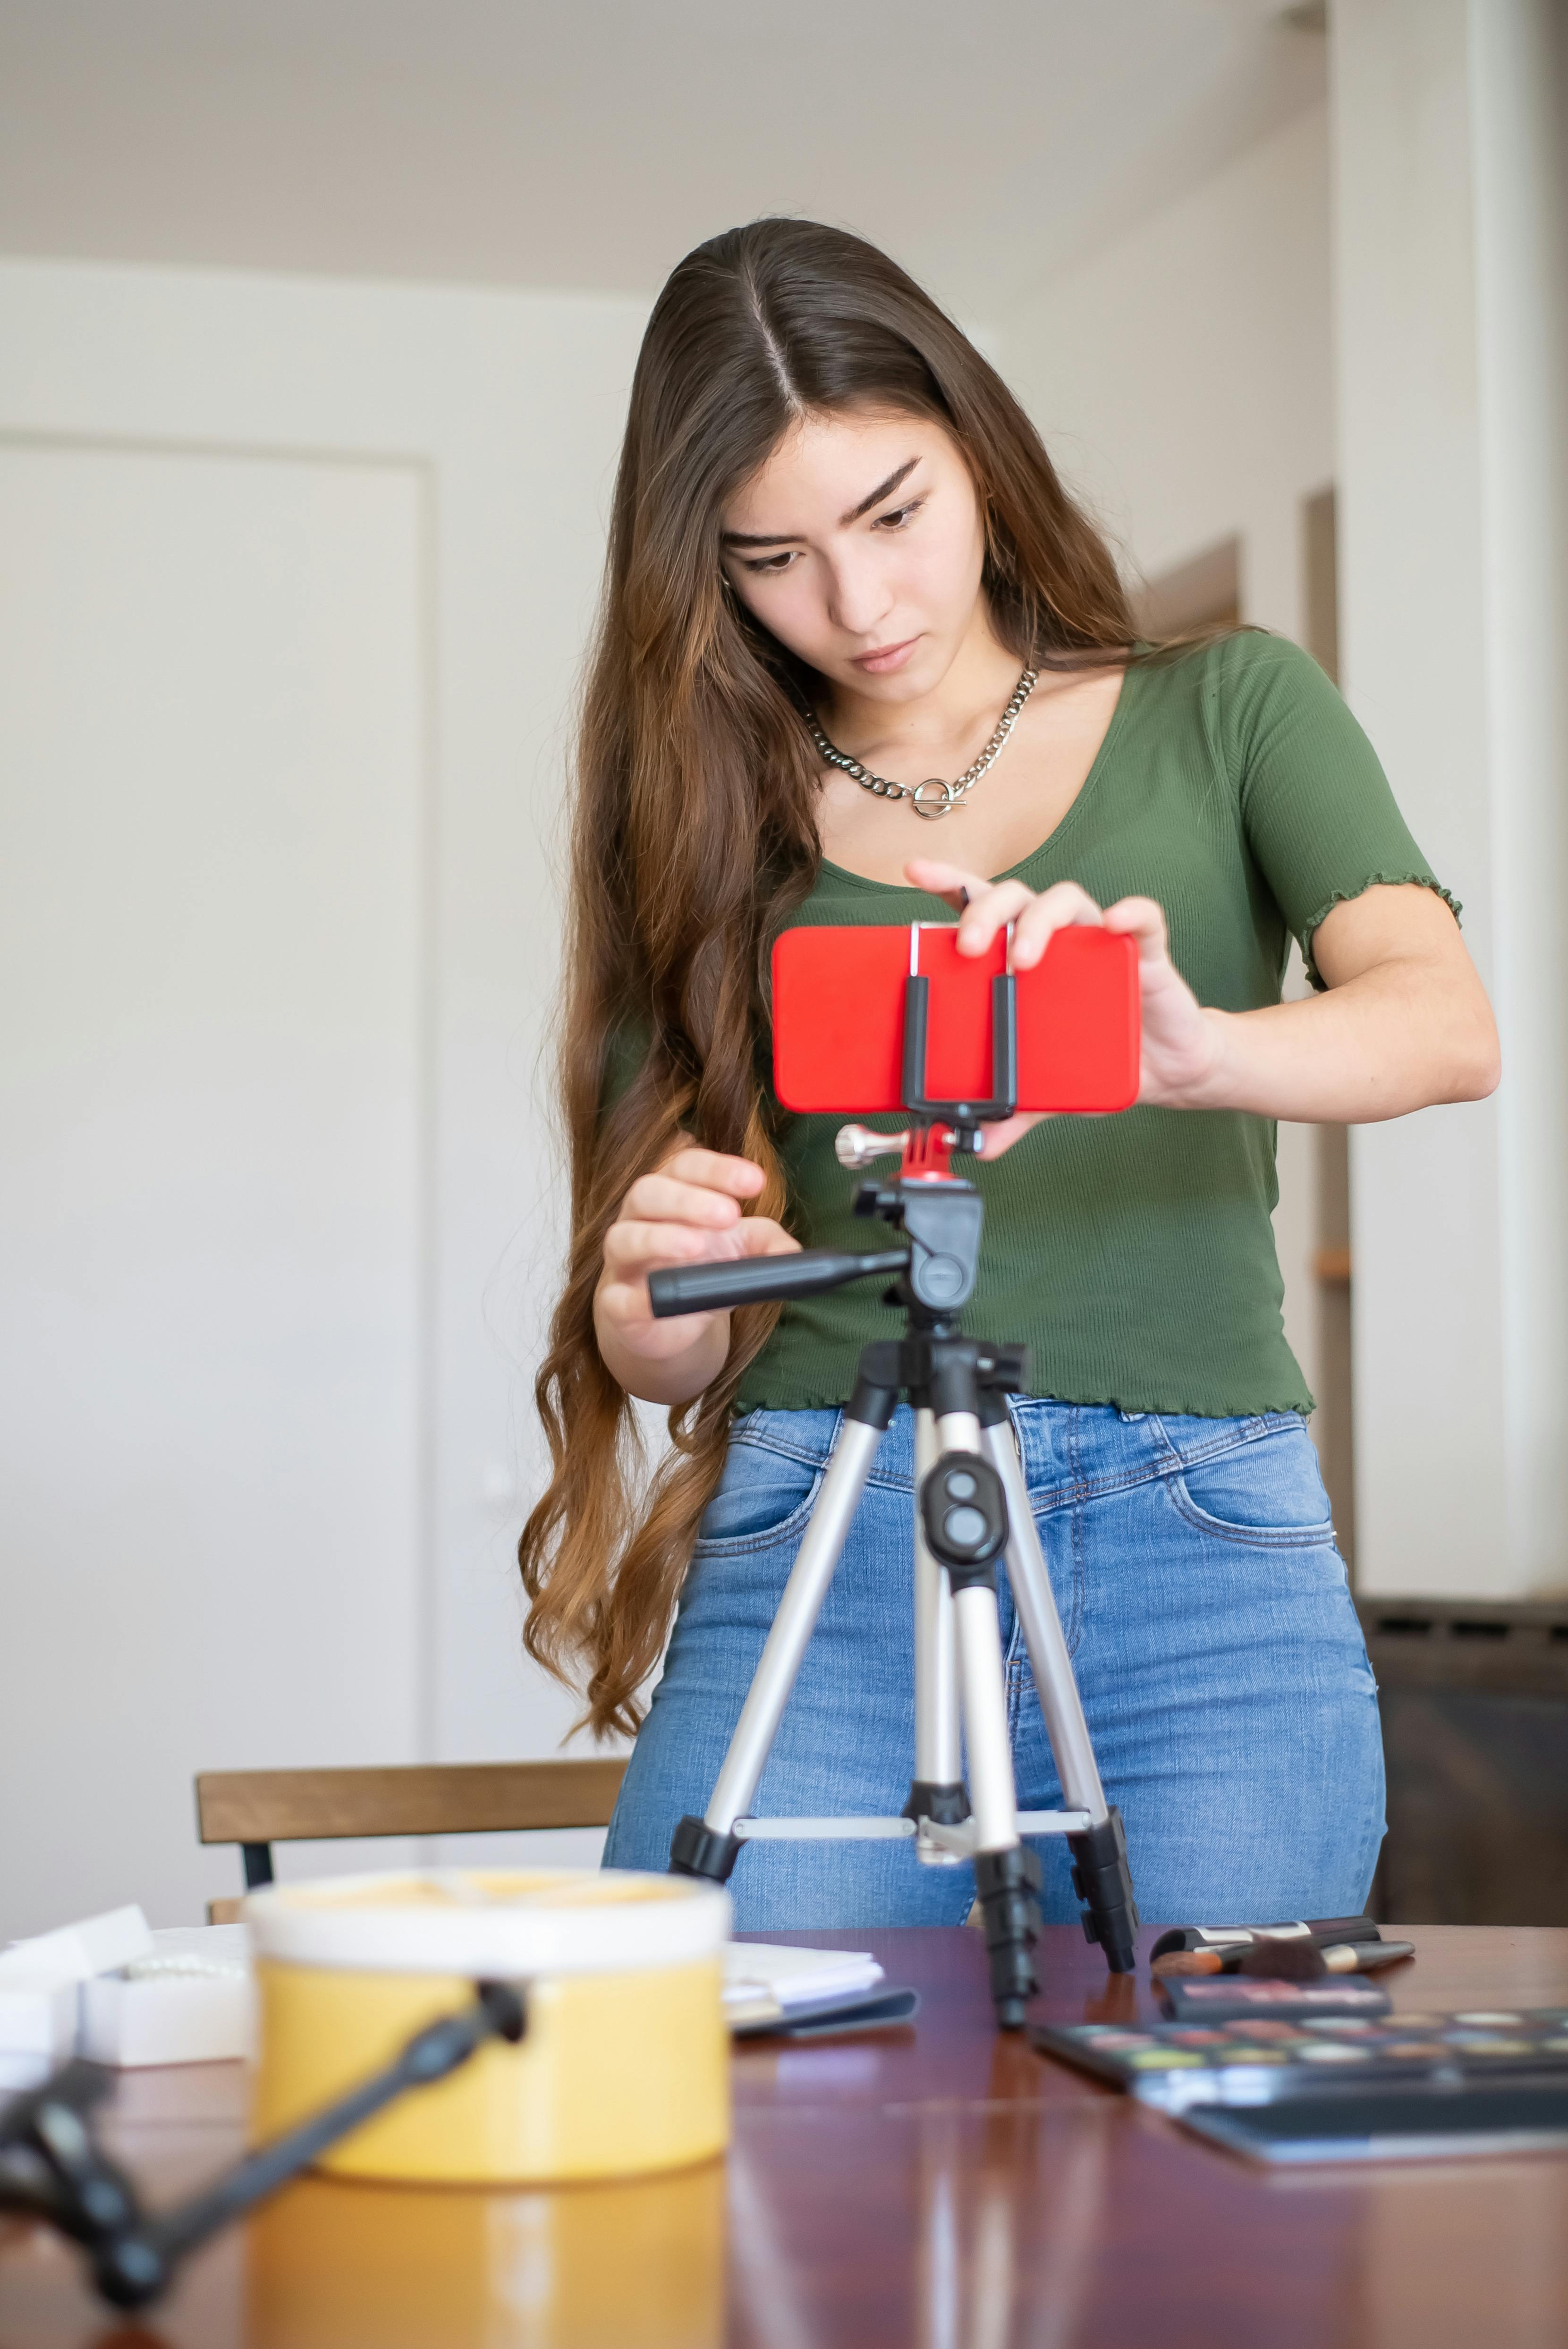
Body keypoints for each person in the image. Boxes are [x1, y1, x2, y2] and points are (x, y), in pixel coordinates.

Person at [517, 217, 1500, 1931]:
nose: (859, 603)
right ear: (704, 571)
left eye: (892, 514)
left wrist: (1191, 1048)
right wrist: (650, 1299)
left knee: (1206, 2148)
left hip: (1198, 1541)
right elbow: (663, 1326)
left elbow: (1442, 1024)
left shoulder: (1230, 707)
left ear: (974, 442)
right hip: (823, 1508)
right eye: (771, 558)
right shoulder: (688, 821)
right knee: (722, 2100)